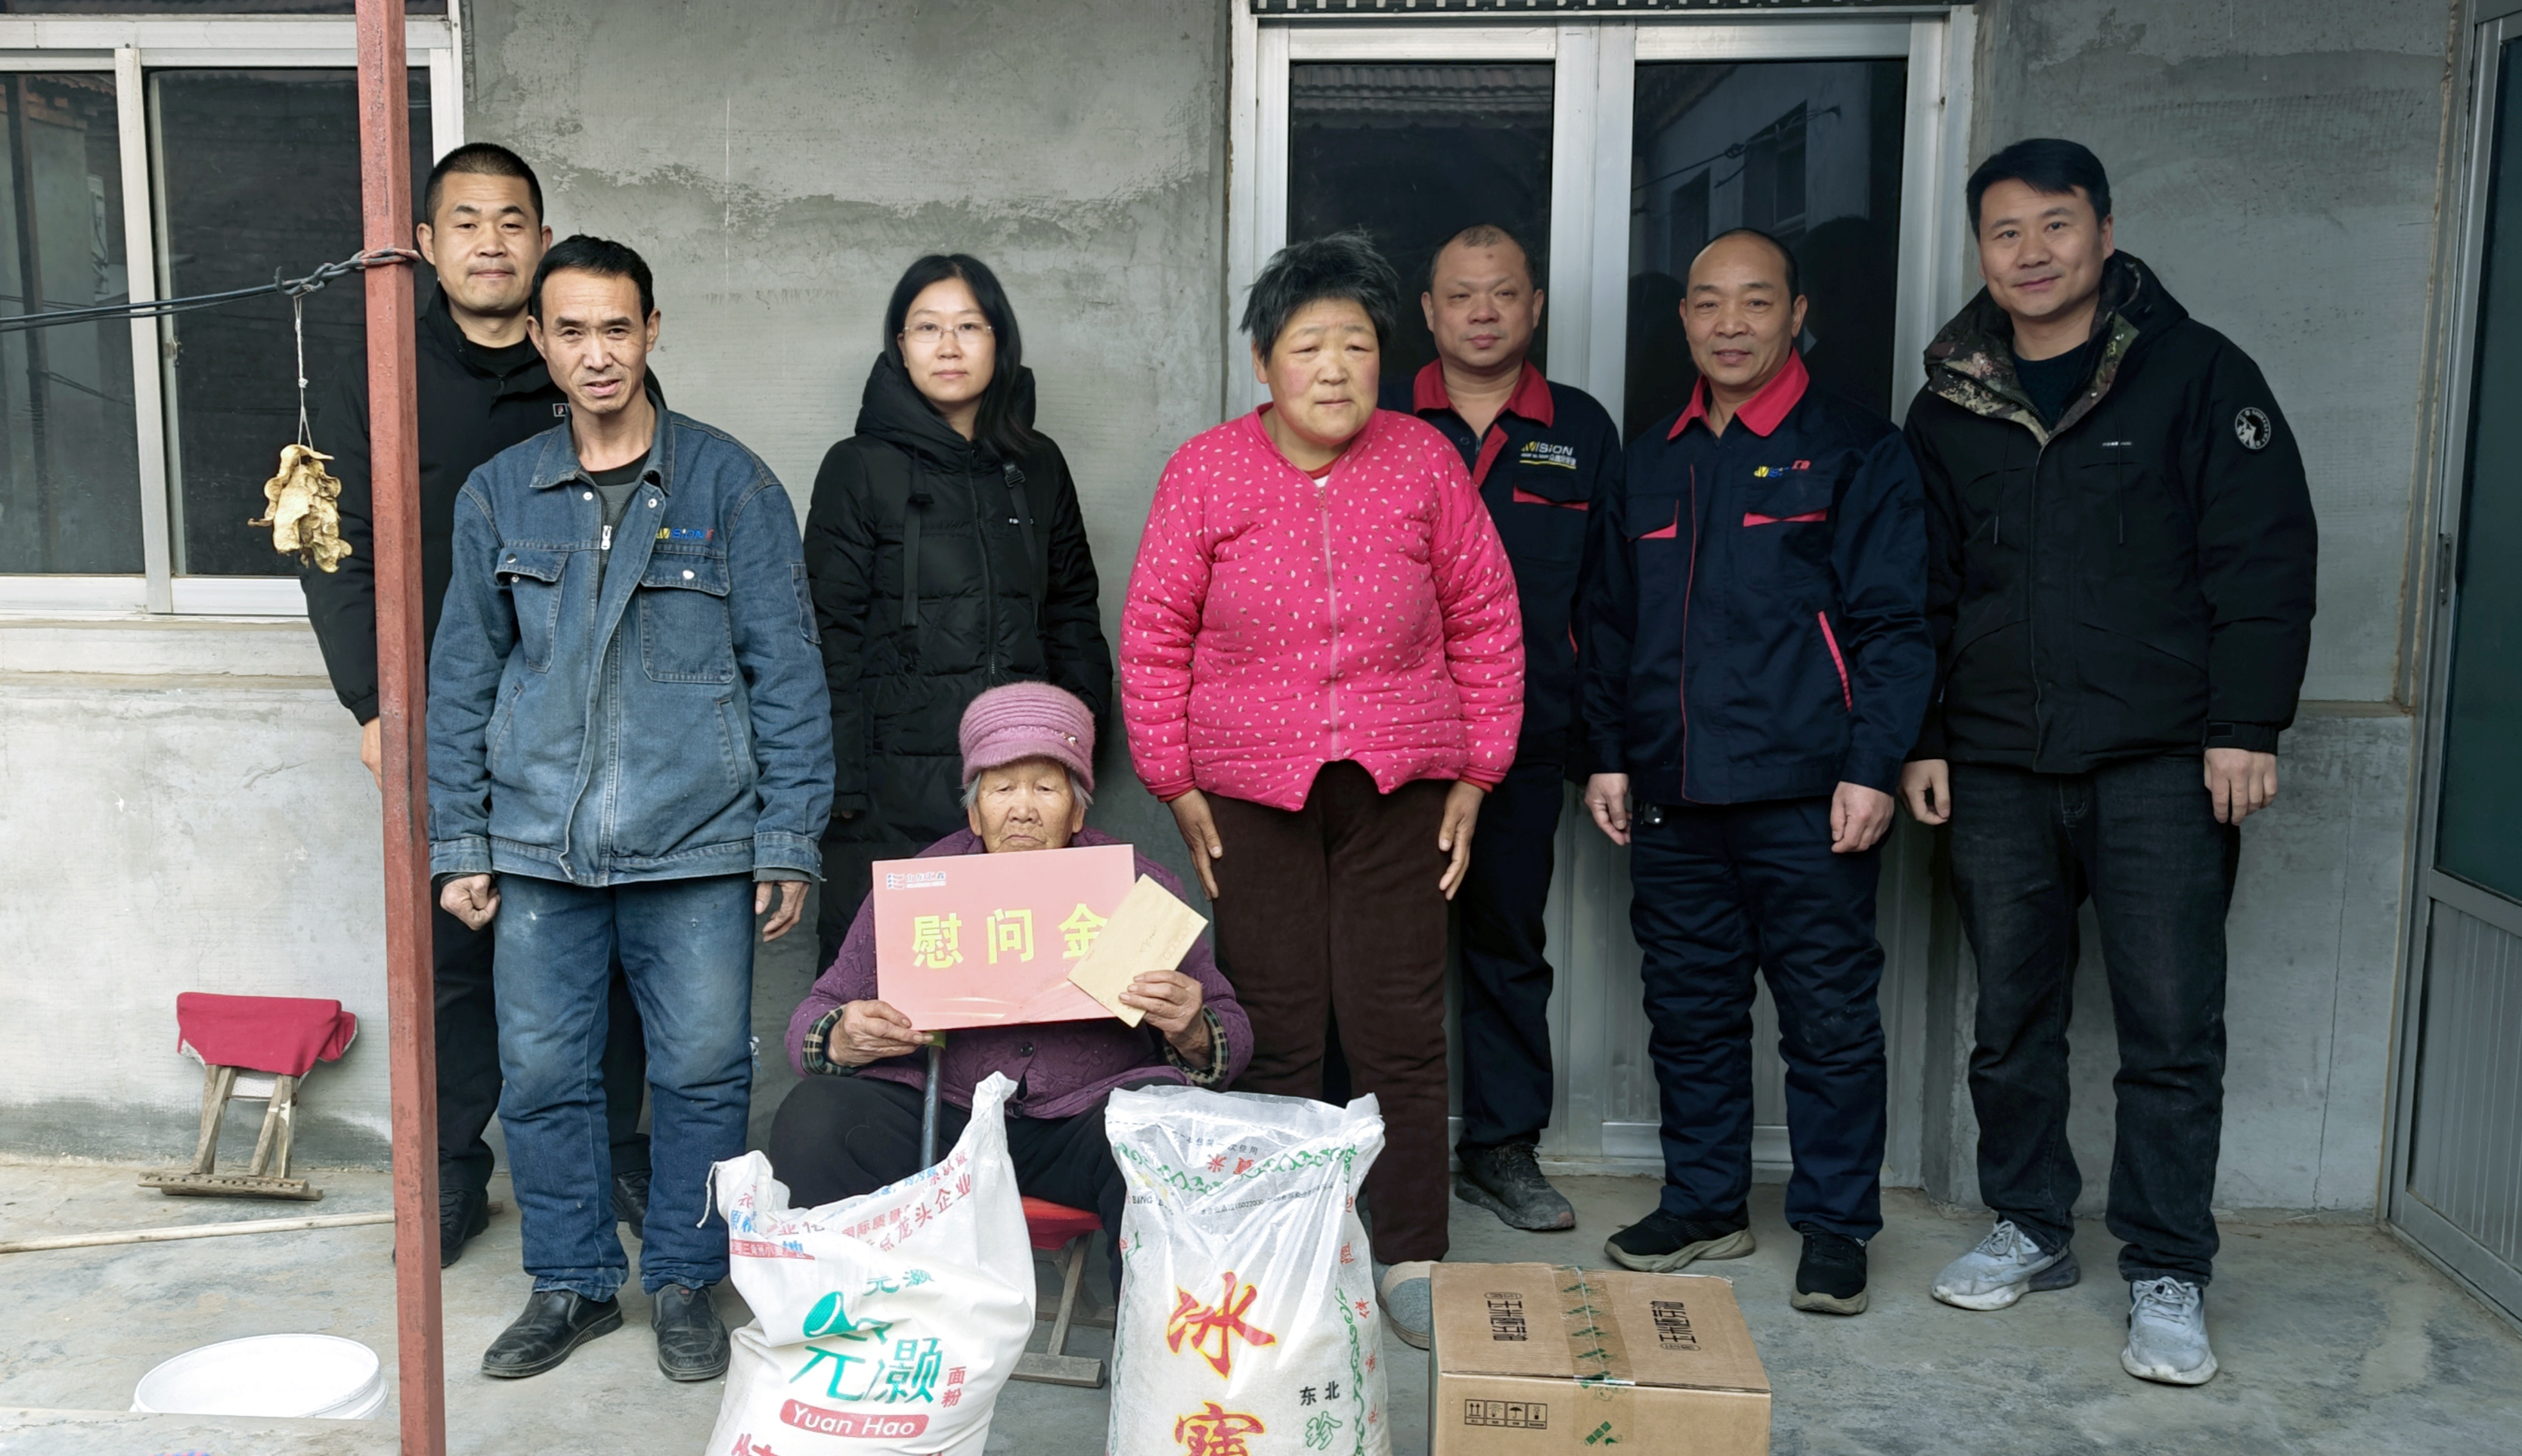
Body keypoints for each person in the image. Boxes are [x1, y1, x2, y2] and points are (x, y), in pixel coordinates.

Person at [1898, 139, 2317, 1386]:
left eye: (2053, 226)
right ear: (1982, 250)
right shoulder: (1949, 402)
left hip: (2161, 770)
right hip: (1996, 768)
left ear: (2104, 230)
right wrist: (1922, 735)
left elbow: (2262, 558)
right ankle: (2028, 1223)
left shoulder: (2195, 374)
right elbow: (1920, 589)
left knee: (2171, 1025)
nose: (2029, 254)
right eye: (2004, 233)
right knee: (2010, 1020)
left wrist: (2246, 725)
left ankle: (2168, 1268)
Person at [428, 236, 832, 1383]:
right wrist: (460, 838)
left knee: (704, 1071)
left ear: (654, 329)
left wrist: (787, 835)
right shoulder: (502, 494)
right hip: (540, 846)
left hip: (698, 841)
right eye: (572, 331)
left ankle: (687, 1281)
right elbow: (462, 676)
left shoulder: (731, 484)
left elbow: (788, 671)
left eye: (617, 327)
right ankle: (570, 1283)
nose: (595, 353)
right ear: (542, 342)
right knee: (543, 1075)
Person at [1120, 230, 1524, 1351]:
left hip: (1401, 782)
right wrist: (1176, 779)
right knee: (1280, 1021)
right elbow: (1155, 636)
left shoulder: (1423, 462)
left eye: (1356, 343)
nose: (1336, 368)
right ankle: (1274, 1241)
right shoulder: (1205, 471)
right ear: (1264, 362)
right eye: (1310, 345)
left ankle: (1409, 1253)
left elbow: (1486, 616)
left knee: (1398, 1024)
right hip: (1253, 791)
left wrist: (1480, 771)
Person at [298, 142, 652, 1266]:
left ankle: (613, 1165)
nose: (491, 242)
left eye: (513, 221)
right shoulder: (379, 372)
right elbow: (331, 546)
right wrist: (371, 699)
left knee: (604, 944)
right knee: (455, 951)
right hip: (444, 714)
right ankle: (453, 1172)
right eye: (466, 222)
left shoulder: (588, 364)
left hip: (584, 716)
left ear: (545, 242)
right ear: (428, 244)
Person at [1579, 228, 1932, 1318]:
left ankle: (1834, 1226)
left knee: (1827, 1017)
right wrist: (1606, 753)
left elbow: (1896, 625)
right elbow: (1607, 623)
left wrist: (1872, 767)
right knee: (1689, 1010)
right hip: (1675, 794)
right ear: (1683, 319)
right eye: (1708, 304)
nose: (1730, 324)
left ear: (1796, 314)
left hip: (1809, 794)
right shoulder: (1651, 459)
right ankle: (1706, 1201)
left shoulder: (1856, 452)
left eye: (1754, 302)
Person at [770, 683, 1247, 1285]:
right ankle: (851, 1334)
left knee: (1166, 1129)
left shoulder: (1134, 888)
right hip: (943, 1121)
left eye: (1046, 788)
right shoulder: (922, 889)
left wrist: (1195, 1030)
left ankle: (1158, 1360)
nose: (1023, 808)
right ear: (974, 811)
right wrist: (840, 1037)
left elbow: (1232, 1034)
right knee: (815, 1119)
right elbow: (812, 1019)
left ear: (1078, 810)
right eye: (1001, 788)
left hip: (1084, 1126)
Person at [1380, 223, 1621, 1234]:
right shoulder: (1382, 422)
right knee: (1383, 949)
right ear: (1428, 313)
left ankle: (1501, 1148)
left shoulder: (1581, 429)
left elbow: (1611, 602)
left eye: (1504, 294)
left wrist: (1604, 746)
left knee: (1506, 944)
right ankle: (1377, 1148)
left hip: (1521, 737)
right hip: (1391, 737)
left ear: (1534, 309)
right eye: (1462, 294)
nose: (1483, 311)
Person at [804, 255, 1113, 968]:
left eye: (969, 326)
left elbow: (1072, 612)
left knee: (1019, 997)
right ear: (900, 347)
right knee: (891, 1006)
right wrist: (842, 791)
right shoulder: (857, 466)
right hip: (888, 798)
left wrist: (1074, 745)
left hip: (1021, 791)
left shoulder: (1036, 465)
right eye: (927, 328)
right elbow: (827, 634)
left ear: (999, 342)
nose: (949, 346)